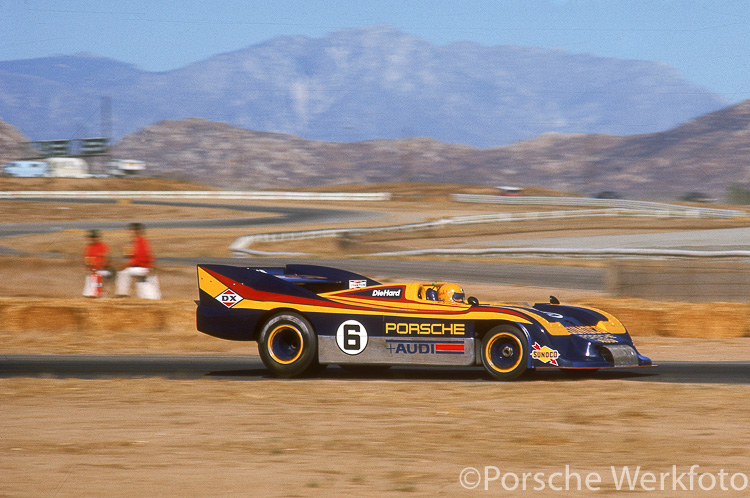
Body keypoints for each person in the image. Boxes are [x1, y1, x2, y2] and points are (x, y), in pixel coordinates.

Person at [116, 222, 161, 299]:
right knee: (143, 286)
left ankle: (122, 294)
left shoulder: (140, 242)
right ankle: (152, 297)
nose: (130, 232)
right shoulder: (140, 241)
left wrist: (125, 265)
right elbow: (147, 256)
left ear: (136, 231)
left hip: (143, 268)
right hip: (144, 268)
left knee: (123, 272)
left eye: (131, 230)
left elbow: (139, 259)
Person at [82, 229, 111, 297]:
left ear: (98, 237)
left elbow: (107, 259)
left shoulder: (103, 246)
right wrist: (89, 267)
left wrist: (99, 266)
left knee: (96, 275)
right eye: (91, 237)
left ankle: (98, 294)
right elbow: (86, 261)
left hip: (105, 269)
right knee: (90, 276)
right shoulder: (88, 247)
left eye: (94, 237)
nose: (92, 239)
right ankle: (88, 295)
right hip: (94, 270)